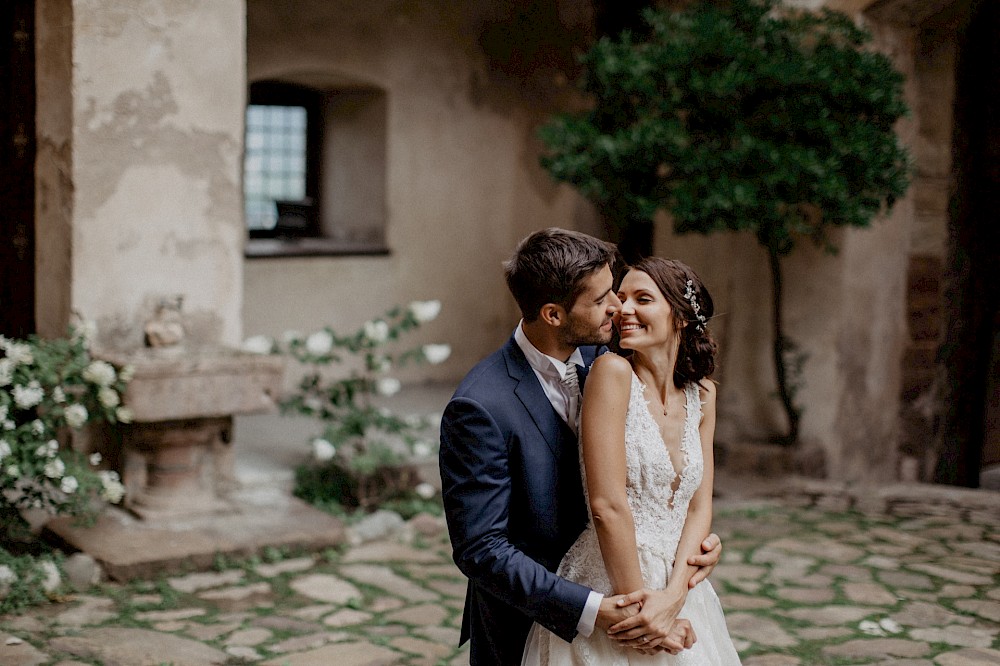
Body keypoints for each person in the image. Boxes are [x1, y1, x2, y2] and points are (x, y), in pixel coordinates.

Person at [439, 229, 723, 665]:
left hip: (648, 589)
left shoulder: (614, 356)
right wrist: (598, 611)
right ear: (553, 314)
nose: (617, 307)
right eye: (602, 298)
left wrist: (689, 554)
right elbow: (482, 548)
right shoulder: (480, 405)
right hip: (540, 616)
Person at [521, 257, 742, 664]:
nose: (623, 309)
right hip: (614, 580)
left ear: (679, 317)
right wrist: (642, 613)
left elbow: (699, 504)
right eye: (621, 298)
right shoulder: (612, 372)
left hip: (679, 586)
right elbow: (607, 505)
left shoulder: (703, 394)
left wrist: (675, 597)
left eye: (643, 299)